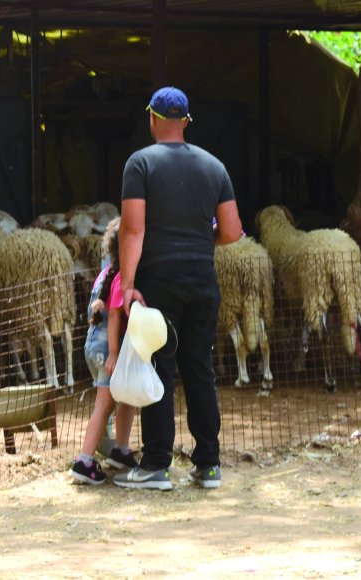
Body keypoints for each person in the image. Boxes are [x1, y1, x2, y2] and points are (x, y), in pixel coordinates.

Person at [112, 87, 242, 491]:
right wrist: (201, 244)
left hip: (159, 283)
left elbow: (133, 229)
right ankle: (209, 465)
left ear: (152, 119)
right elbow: (234, 231)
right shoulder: (215, 167)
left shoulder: (140, 164)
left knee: (159, 367)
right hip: (203, 282)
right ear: (186, 122)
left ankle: (155, 466)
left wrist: (129, 286)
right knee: (199, 367)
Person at [69, 217, 139, 485]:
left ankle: (120, 450)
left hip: (93, 347)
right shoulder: (122, 277)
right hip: (107, 350)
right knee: (104, 405)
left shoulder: (104, 273)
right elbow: (112, 317)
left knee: (128, 395)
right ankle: (84, 461)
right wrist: (113, 352)